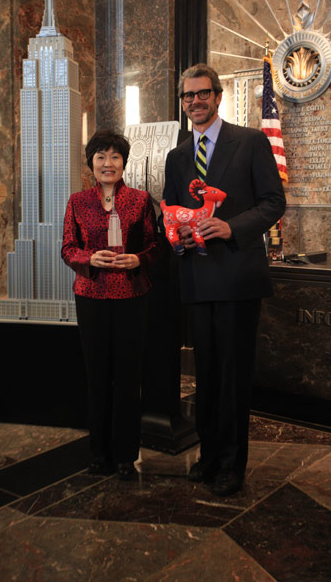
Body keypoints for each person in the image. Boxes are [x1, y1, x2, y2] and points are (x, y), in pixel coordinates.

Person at [162, 64, 286, 496]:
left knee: (233, 375)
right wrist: (175, 234)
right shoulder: (178, 156)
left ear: (217, 96)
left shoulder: (250, 142)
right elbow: (171, 211)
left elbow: (274, 202)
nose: (194, 101)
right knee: (206, 375)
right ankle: (209, 456)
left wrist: (233, 227)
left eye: (202, 93)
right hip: (196, 279)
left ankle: (233, 465)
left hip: (237, 278)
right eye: (187, 96)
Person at [61, 130, 159, 480]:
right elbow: (68, 249)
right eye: (101, 156)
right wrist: (91, 258)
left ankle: (125, 456)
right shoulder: (77, 202)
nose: (108, 163)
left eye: (115, 156)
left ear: (123, 163)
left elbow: (153, 247)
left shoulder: (139, 199)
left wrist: (138, 260)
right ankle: (99, 453)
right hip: (91, 296)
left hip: (132, 296)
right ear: (91, 163)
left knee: (128, 377)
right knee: (97, 375)